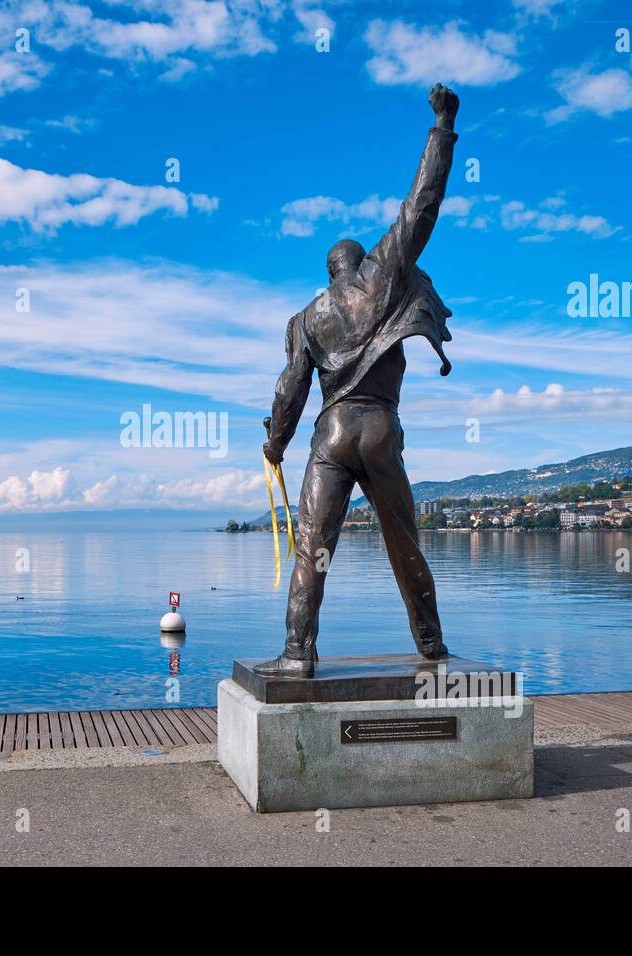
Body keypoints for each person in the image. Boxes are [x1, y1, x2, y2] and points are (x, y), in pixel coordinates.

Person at [256, 84, 460, 677]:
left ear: (327, 271)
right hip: (378, 429)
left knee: (311, 550)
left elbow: (289, 392)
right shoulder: (385, 274)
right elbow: (421, 205)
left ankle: (298, 652)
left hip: (331, 434)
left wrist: (274, 445)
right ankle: (431, 646)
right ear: (357, 262)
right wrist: (441, 127)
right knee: (405, 545)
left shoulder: (305, 318)